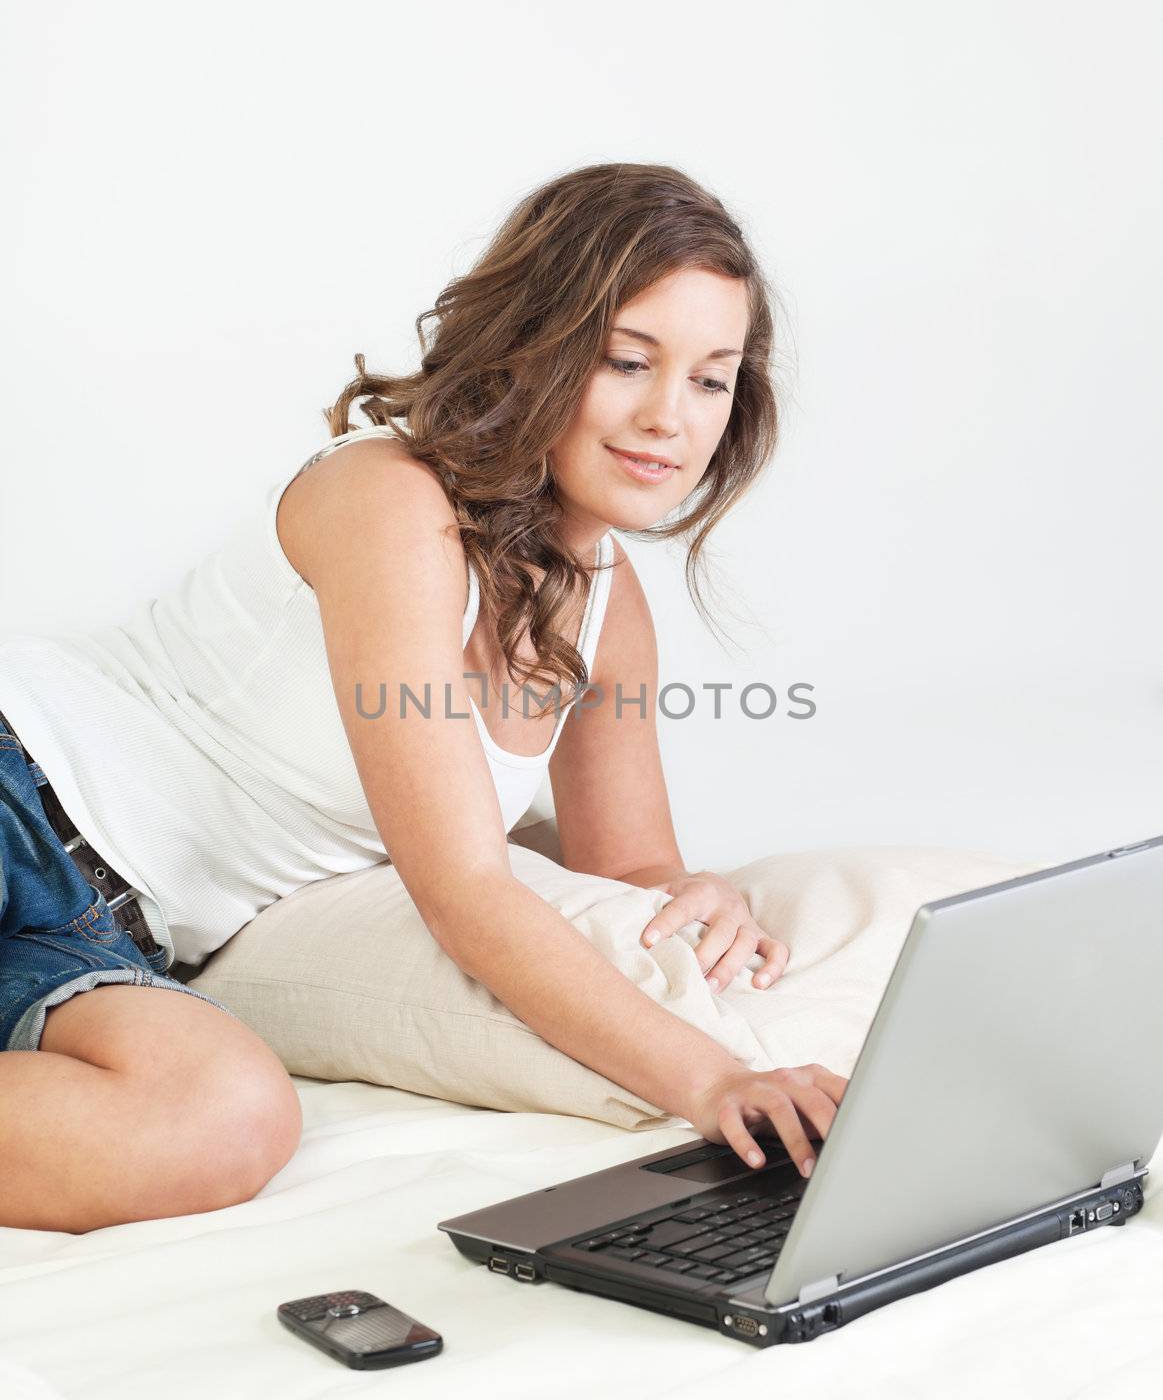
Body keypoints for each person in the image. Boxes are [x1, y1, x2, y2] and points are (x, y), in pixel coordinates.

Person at [0, 162, 848, 1235]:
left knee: (224, 1119)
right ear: (531, 346)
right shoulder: (391, 499)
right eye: (626, 360)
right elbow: (463, 888)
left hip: (109, 939)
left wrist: (699, 894)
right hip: (22, 794)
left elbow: (626, 864)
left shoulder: (606, 607)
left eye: (709, 378)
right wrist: (715, 1080)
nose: (666, 418)